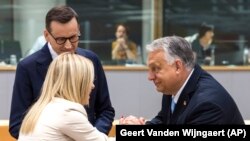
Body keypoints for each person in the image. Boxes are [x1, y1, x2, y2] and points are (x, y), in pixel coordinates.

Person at [9, 5, 115, 139]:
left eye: (73, 37)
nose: (68, 45)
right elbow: (17, 124)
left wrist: (90, 135)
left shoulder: (91, 60)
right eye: (61, 39)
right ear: (47, 35)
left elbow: (105, 110)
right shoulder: (27, 67)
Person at [120, 36, 244, 125]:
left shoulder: (207, 105)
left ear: (178, 66)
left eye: (156, 69)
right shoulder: (174, 87)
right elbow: (164, 120)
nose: (150, 77)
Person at [18, 53, 115, 141]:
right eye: (89, 80)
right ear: (78, 83)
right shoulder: (67, 113)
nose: (93, 86)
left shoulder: (42, 108)